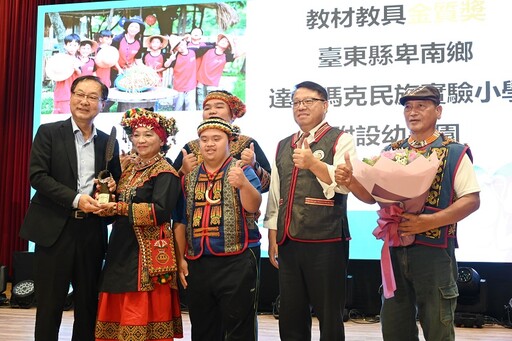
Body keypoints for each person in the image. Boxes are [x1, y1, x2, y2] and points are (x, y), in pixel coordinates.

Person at [263, 81, 374, 341]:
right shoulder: (283, 144)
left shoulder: (341, 139)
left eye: (308, 101)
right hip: (288, 238)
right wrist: (272, 235)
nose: (301, 107)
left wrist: (314, 164)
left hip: (327, 239)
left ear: (325, 105)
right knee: (290, 313)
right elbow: (276, 194)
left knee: (329, 314)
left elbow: (345, 185)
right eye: (296, 102)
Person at [372, 85, 480, 341]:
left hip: (434, 253)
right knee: (394, 326)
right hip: (395, 249)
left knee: (438, 327)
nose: (413, 112)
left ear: (438, 111)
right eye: (408, 107)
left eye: (421, 106)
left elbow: (471, 200)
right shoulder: (392, 150)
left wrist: (428, 221)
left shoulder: (454, 151)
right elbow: (374, 194)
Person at [19, 75, 122, 341]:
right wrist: (76, 199)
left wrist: (110, 192)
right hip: (55, 231)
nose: (84, 101)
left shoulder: (108, 143)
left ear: (103, 104)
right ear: (71, 96)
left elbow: (115, 184)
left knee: (88, 306)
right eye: (79, 94)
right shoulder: (49, 133)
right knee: (50, 306)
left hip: (91, 232)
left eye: (92, 97)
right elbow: (38, 177)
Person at [94, 107, 183, 340]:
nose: (141, 140)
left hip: (148, 254)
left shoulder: (166, 172)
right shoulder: (129, 169)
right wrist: (106, 200)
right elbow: (120, 205)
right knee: (116, 313)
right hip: (121, 248)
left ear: (162, 139)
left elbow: (160, 212)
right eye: (136, 135)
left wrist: (119, 208)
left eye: (148, 135)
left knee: (139, 311)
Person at [174, 117, 262, 340]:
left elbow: (253, 206)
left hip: (237, 258)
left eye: (216, 139)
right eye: (204, 139)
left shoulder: (242, 170)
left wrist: (243, 183)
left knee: (239, 326)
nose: (209, 144)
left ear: (229, 143)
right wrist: (181, 259)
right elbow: (181, 220)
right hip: (198, 261)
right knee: (203, 326)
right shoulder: (189, 177)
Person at [173, 90, 271, 192]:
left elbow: (269, 186)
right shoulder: (190, 147)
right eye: (207, 108)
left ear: (233, 115)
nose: (212, 111)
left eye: (219, 107)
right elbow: (168, 193)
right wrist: (182, 171)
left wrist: (254, 165)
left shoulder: (247, 144)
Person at [195, 33, 240, 110]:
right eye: (222, 40)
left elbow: (236, 55)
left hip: (212, 83)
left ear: (227, 47)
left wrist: (235, 44)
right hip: (201, 80)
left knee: (210, 102)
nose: (223, 41)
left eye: (226, 42)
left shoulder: (225, 56)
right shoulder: (208, 50)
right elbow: (197, 48)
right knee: (200, 103)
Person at [51, 33, 82, 114]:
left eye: (75, 45)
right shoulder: (60, 59)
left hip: (73, 92)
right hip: (61, 91)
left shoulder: (78, 61)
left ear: (78, 47)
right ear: (65, 46)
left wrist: (76, 68)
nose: (72, 48)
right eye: (70, 45)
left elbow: (80, 73)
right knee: (58, 116)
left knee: (69, 115)